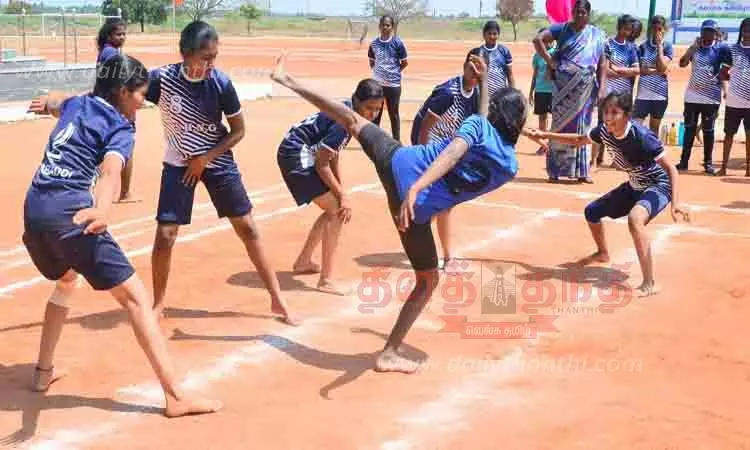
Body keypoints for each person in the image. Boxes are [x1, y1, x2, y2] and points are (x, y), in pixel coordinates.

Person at [271, 49, 544, 373]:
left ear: (497, 115)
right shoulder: (509, 166)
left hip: (398, 164)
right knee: (427, 282)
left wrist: (415, 186)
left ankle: (287, 80)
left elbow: (453, 152)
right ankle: (388, 352)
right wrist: (485, 84)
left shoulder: (476, 126)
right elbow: (473, 140)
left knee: (351, 119)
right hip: (413, 212)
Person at [23, 55, 220, 417]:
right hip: (71, 215)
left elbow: (57, 102)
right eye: (140, 94)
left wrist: (46, 102)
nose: (143, 102)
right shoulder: (120, 127)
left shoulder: (77, 103)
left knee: (66, 281)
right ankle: (175, 396)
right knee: (137, 299)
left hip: (35, 210)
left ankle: (42, 373)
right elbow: (111, 172)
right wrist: (103, 209)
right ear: (123, 92)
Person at [147, 21, 297, 324]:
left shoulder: (221, 84)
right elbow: (123, 94)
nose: (211, 64)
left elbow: (238, 131)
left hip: (216, 160)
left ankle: (277, 300)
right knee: (165, 235)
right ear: (185, 53)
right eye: (206, 58)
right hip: (179, 162)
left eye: (215, 57)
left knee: (247, 228)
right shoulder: (162, 80)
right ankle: (158, 304)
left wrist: (205, 158)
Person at [530, 92, 690, 297]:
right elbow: (579, 139)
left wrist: (675, 203)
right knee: (592, 212)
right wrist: (546, 134)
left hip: (658, 185)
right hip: (635, 184)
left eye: (615, 112)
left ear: (627, 115)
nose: (608, 117)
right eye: (606, 112)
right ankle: (602, 253)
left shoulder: (642, 136)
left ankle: (649, 283)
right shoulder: (604, 131)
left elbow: (671, 169)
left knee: (635, 219)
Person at [278, 79, 384, 295]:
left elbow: (333, 154)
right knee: (337, 210)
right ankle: (326, 280)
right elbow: (322, 162)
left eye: (377, 109)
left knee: (334, 207)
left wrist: (340, 190)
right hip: (296, 155)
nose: (373, 114)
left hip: (299, 151)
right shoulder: (344, 123)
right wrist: (341, 195)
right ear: (356, 101)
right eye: (369, 108)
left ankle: (303, 261)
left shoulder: (347, 111)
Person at [410, 49, 482, 270]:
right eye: (471, 67)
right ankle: (446, 257)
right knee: (445, 202)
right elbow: (425, 126)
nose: (474, 72)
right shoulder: (448, 93)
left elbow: (478, 123)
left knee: (443, 202)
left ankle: (416, 234)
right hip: (430, 146)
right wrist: (423, 156)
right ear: (464, 66)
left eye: (479, 69)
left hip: (449, 148)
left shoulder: (476, 94)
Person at [533, 0, 607, 183]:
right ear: (572, 12)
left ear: (588, 14)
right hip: (562, 89)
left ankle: (582, 171)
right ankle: (555, 170)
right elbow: (538, 39)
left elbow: (602, 63)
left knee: (583, 128)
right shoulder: (562, 29)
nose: (580, 15)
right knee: (560, 126)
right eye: (577, 11)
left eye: (583, 12)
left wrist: (602, 87)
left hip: (586, 89)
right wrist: (550, 61)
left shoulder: (597, 34)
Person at [677, 19, 732, 175]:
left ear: (716, 33)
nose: (708, 34)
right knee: (689, 130)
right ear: (701, 32)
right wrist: (692, 48)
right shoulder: (695, 48)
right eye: (705, 30)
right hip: (692, 97)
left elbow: (725, 74)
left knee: (708, 131)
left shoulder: (722, 49)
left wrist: (726, 91)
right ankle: (683, 162)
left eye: (711, 31)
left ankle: (708, 163)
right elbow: (682, 63)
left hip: (711, 98)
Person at [95, 18, 137, 203]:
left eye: (124, 34)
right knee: (126, 147)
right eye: (118, 34)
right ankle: (124, 193)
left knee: (104, 148)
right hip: (117, 107)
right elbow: (122, 78)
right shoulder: (112, 54)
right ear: (109, 35)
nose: (122, 37)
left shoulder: (105, 52)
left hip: (106, 105)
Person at [593, 14, 639, 167]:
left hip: (623, 94)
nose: (627, 32)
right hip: (608, 92)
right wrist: (624, 71)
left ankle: (617, 160)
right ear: (619, 28)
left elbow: (636, 70)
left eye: (629, 30)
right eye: (625, 29)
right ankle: (597, 159)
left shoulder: (631, 47)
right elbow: (605, 70)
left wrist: (617, 69)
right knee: (603, 125)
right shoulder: (608, 44)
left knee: (621, 127)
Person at [718, 18, 750, 177]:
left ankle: (749, 169)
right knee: (729, 134)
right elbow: (723, 73)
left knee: (749, 136)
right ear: (741, 30)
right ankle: (723, 167)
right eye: (745, 28)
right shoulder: (732, 50)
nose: (747, 31)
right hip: (733, 101)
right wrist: (727, 88)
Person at [368, 15, 408, 142]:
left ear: (392, 27)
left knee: (393, 113)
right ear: (379, 26)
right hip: (378, 85)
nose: (385, 27)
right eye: (383, 25)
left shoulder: (398, 43)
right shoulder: (374, 44)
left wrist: (393, 72)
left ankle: (396, 141)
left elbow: (404, 62)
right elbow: (372, 62)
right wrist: (380, 74)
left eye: (388, 25)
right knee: (376, 113)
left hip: (393, 85)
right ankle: (375, 140)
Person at [633, 15, 674, 134]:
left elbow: (661, 66)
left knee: (654, 130)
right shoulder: (642, 47)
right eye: (654, 29)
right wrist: (657, 71)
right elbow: (639, 70)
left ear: (665, 30)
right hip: (642, 95)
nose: (657, 32)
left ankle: (653, 147)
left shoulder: (667, 46)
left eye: (660, 29)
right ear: (650, 29)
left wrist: (659, 46)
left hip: (659, 95)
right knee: (636, 128)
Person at [471, 20, 515, 97]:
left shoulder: (504, 51)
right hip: (483, 95)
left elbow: (510, 74)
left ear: (498, 35)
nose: (492, 36)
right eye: (489, 33)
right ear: (484, 35)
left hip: (501, 96)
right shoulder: (479, 52)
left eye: (495, 34)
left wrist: (513, 94)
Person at [530, 28, 555, 156]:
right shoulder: (537, 56)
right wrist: (531, 91)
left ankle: (553, 145)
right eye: (544, 41)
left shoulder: (555, 52)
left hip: (553, 91)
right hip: (540, 90)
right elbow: (535, 74)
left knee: (556, 118)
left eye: (549, 40)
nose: (547, 43)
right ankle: (543, 144)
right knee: (542, 118)